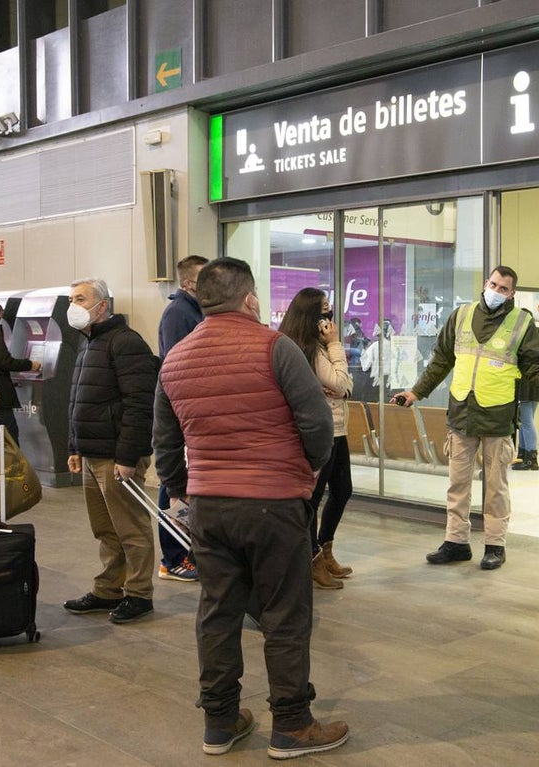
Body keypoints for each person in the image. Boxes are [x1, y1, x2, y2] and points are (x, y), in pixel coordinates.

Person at [152, 257, 348, 758]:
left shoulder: (175, 359)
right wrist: (304, 472)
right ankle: (292, 725)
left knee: (217, 611)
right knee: (284, 614)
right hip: (273, 503)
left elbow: (166, 444)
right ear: (250, 298)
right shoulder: (275, 347)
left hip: (209, 507)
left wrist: (182, 490)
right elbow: (318, 426)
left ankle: (220, 722)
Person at [392, 266, 539, 570]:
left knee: (496, 487)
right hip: (462, 414)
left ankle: (495, 545)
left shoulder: (521, 322)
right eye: (493, 284)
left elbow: (536, 365)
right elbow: (441, 360)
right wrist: (415, 393)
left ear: (512, 293)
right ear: (484, 283)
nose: (496, 291)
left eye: (503, 288)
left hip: (497, 416)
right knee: (457, 483)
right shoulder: (461, 316)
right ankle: (456, 542)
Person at [62, 278, 160, 625]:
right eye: (71, 298)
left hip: (117, 455)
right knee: (105, 529)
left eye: (80, 298)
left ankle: (138, 593)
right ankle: (108, 588)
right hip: (92, 453)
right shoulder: (88, 342)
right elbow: (80, 400)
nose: (73, 304)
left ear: (102, 305)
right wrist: (75, 446)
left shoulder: (125, 342)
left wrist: (127, 457)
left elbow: (140, 404)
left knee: (130, 528)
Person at [278, 287, 355, 590]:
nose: (329, 316)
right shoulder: (309, 348)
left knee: (342, 490)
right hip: (320, 431)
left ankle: (325, 549)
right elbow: (343, 384)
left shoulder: (316, 347)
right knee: (313, 497)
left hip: (338, 429)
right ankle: (312, 559)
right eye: (323, 309)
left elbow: (339, 387)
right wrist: (336, 345)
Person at [155, 254, 209, 583]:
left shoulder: (198, 311)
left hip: (196, 409)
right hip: (181, 411)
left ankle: (189, 551)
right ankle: (173, 557)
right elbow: (176, 366)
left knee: (188, 485)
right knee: (173, 485)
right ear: (188, 283)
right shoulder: (178, 314)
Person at [0, 297, 41, 444]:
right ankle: (14, 465)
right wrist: (30, 364)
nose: (0, 319)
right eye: (0, 316)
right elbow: (4, 361)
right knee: (9, 432)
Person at [512, 326, 539, 471]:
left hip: (526, 384)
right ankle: (523, 454)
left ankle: (531, 459)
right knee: (525, 421)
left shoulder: (524, 339)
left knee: (525, 422)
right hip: (538, 384)